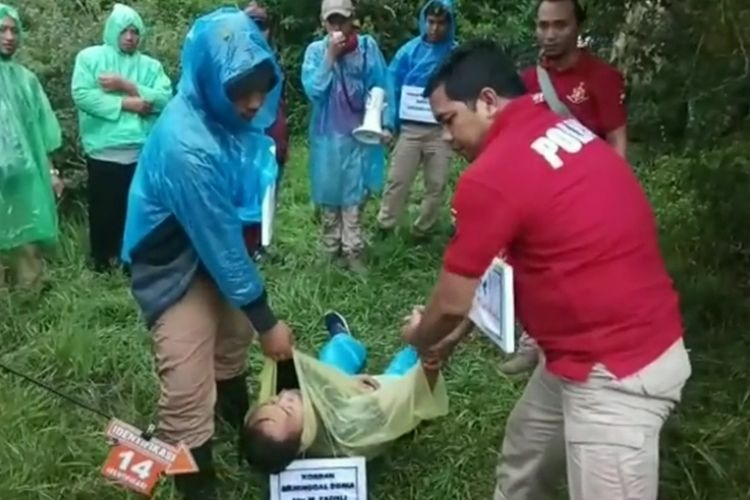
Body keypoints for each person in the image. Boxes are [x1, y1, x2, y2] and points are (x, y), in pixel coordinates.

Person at [403, 41, 691, 500]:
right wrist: (453, 338)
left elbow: (453, 298)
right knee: (524, 458)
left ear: (488, 102)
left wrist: (421, 337)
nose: (445, 137)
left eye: (448, 120)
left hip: (616, 369)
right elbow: (504, 272)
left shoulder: (493, 174)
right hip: (578, 353)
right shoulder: (563, 132)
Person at [120, 8, 294, 499]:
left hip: (222, 251)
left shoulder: (227, 117)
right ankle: (199, 484)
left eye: (262, 87)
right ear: (209, 78)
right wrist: (268, 321)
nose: (253, 103)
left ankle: (237, 419)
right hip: (173, 264)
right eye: (240, 90)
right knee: (185, 383)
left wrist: (249, 316)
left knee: (231, 341)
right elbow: (217, 241)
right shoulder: (185, 144)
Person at [502, 0, 631, 375]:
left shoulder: (600, 77)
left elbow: (616, 138)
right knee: (530, 265)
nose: (549, 34)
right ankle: (533, 341)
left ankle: (585, 346)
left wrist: (615, 194)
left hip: (587, 196)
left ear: (577, 27)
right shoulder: (527, 81)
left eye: (559, 25)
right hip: (538, 194)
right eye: (543, 26)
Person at [242, 311, 468, 475]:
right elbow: (410, 395)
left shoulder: (294, 428)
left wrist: (345, 383)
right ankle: (412, 350)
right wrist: (426, 350)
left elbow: (317, 380)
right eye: (288, 408)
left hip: (340, 393)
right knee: (399, 375)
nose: (285, 396)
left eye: (273, 400)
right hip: (369, 401)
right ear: (303, 438)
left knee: (331, 361)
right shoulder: (358, 422)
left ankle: (342, 338)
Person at [71, 3, 172, 273]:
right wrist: (130, 104)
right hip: (104, 151)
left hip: (141, 151)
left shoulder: (150, 66)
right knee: (105, 210)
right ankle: (104, 264)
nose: (130, 37)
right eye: (124, 31)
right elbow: (83, 95)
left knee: (138, 209)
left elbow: (165, 99)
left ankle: (135, 261)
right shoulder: (90, 58)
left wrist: (125, 85)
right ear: (113, 31)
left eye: (135, 32)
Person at [301, 0, 390, 274]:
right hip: (327, 138)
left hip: (360, 136)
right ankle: (330, 248)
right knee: (330, 195)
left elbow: (381, 85)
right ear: (323, 23)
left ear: (353, 19)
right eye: (331, 21)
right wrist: (330, 57)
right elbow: (314, 91)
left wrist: (385, 123)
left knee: (354, 197)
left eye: (342, 19)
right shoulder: (316, 52)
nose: (337, 26)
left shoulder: (366, 48)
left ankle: (353, 250)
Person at [377, 0, 456, 241]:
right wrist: (390, 122)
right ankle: (385, 225)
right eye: (431, 22)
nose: (435, 28)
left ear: (449, 24)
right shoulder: (408, 52)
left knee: (437, 184)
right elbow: (392, 86)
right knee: (398, 179)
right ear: (423, 21)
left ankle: (423, 230)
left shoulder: (455, 53)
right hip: (410, 127)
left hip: (441, 129)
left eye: (441, 23)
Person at [0, 3, 63, 289]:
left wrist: (51, 173)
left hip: (23, 180)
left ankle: (29, 305)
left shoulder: (26, 81)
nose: (10, 36)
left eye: (14, 30)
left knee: (26, 241)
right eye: (2, 29)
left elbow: (42, 131)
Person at [243, 0, 290, 262]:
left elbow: (276, 104)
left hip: (271, 134)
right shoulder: (230, 58)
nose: (256, 30)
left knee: (269, 188)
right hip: (244, 138)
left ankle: (263, 243)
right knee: (244, 189)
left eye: (261, 25)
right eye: (250, 23)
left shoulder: (273, 60)